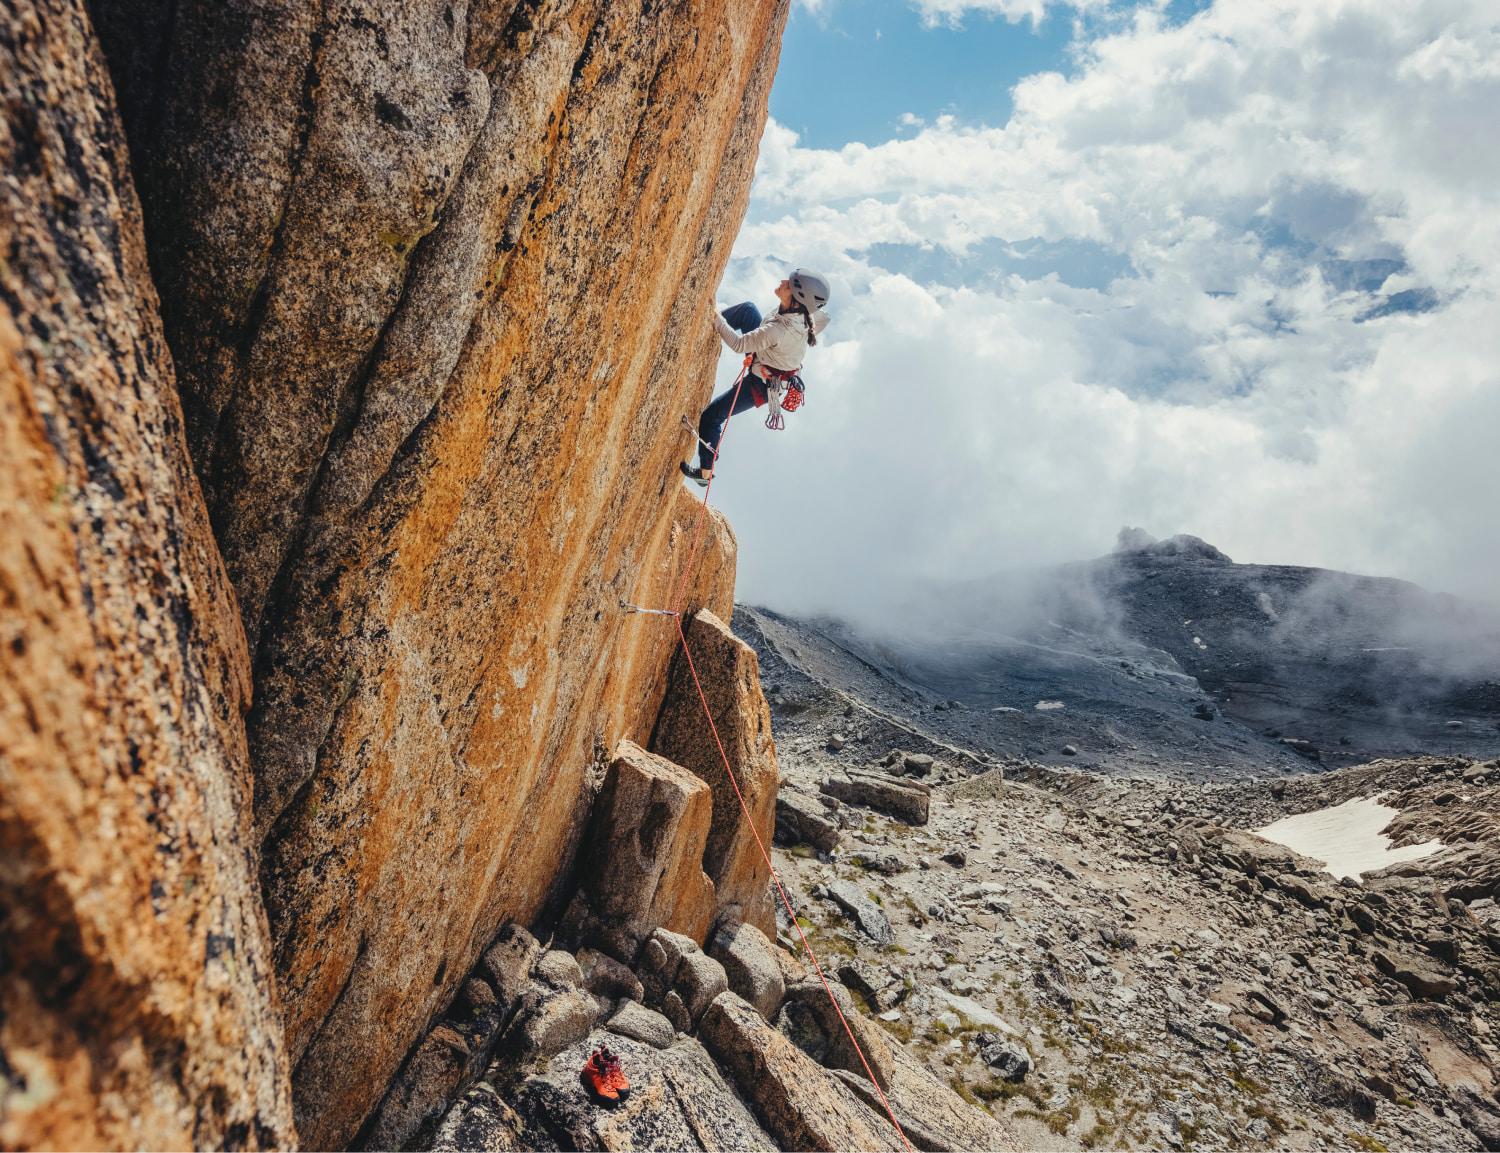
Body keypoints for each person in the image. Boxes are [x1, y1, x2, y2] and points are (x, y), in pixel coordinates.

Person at [680, 268, 831, 485]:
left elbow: (739, 345)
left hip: (761, 385)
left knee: (712, 417)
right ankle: (707, 328)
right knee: (748, 311)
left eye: (788, 284)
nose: (782, 282)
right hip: (766, 360)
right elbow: (822, 319)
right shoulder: (800, 315)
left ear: (797, 299)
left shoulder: (780, 330)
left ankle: (705, 473)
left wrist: (715, 316)